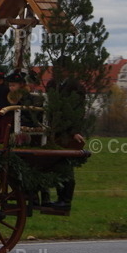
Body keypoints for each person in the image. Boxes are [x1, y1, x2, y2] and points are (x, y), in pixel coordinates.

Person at [42, 60, 87, 212]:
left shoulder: (76, 87)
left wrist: (74, 131)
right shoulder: (52, 84)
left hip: (68, 131)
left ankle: (65, 200)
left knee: (66, 166)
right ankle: (55, 197)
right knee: (54, 164)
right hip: (54, 129)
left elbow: (78, 110)